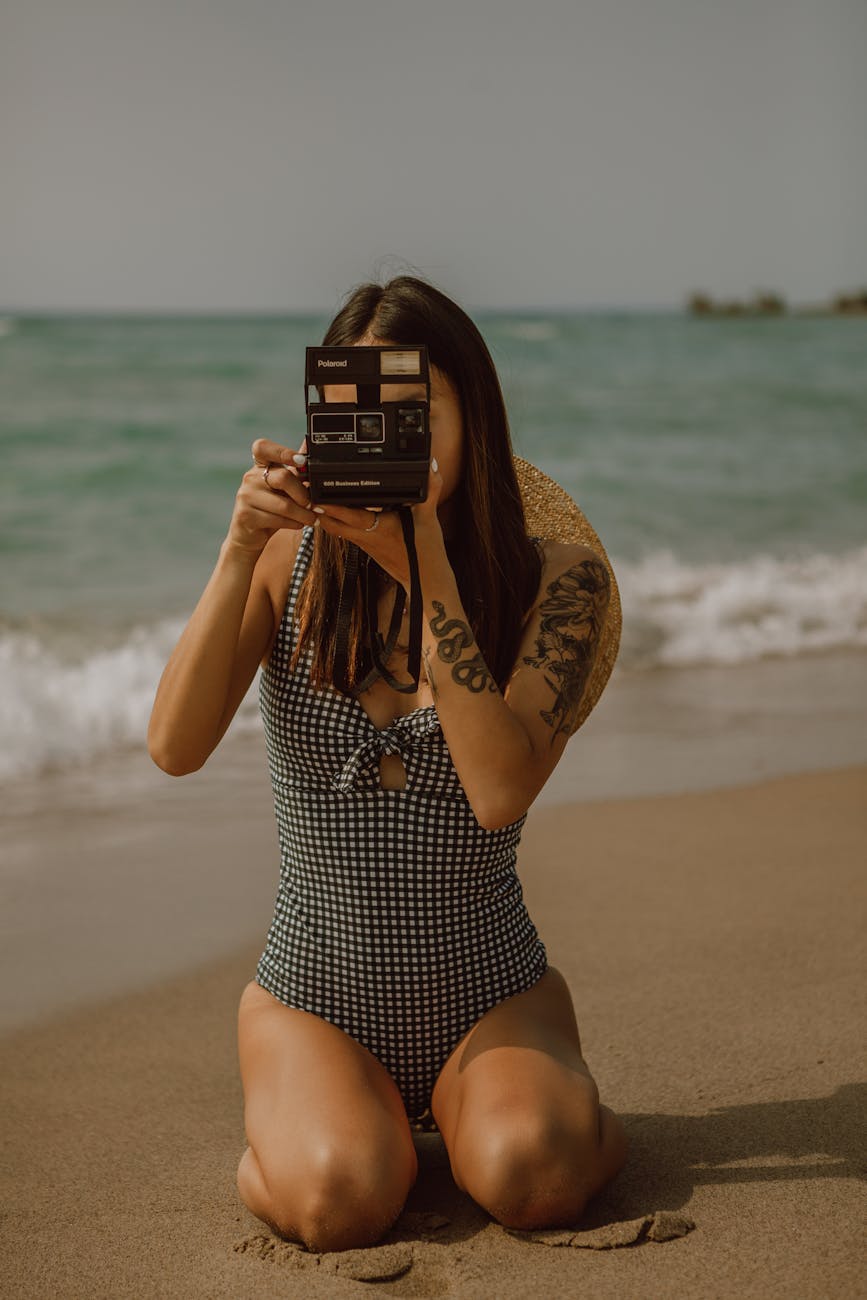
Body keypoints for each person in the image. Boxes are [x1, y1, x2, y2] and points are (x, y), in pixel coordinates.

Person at [148, 275, 628, 1254]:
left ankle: (504, 1107)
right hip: (314, 998)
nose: (384, 433)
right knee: (340, 1199)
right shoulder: (292, 564)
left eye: (411, 410)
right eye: (354, 409)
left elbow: (498, 791)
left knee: (533, 1176)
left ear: (472, 416)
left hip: (487, 995)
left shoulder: (555, 582)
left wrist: (428, 571)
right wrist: (240, 547)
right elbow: (175, 745)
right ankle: (307, 1129)